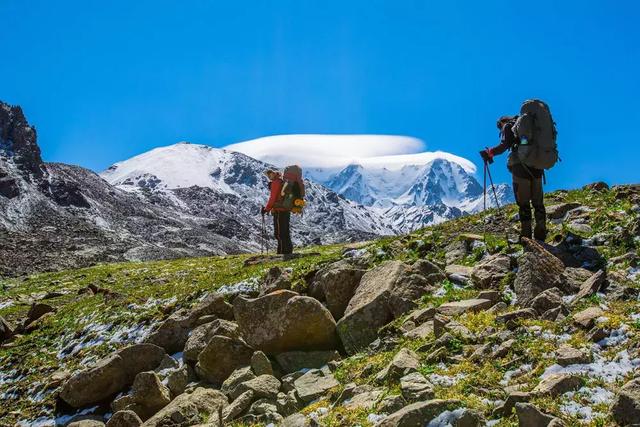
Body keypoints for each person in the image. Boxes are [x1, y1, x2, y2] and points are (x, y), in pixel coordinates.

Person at [480, 115, 547, 241]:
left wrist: (491, 152)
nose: (501, 130)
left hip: (520, 168)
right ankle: (541, 233)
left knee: (524, 204)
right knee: (538, 203)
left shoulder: (508, 126)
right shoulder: (530, 126)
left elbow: (505, 144)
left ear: (501, 122)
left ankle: (526, 236)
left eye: (500, 128)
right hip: (537, 166)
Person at [262, 169, 293, 256]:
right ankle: (287, 250)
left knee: (279, 233)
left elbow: (273, 198)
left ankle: (282, 252)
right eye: (267, 175)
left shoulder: (276, 183)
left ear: (273, 173)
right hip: (286, 210)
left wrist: (266, 209)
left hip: (279, 210)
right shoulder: (281, 181)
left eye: (269, 174)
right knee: (285, 231)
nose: (268, 176)